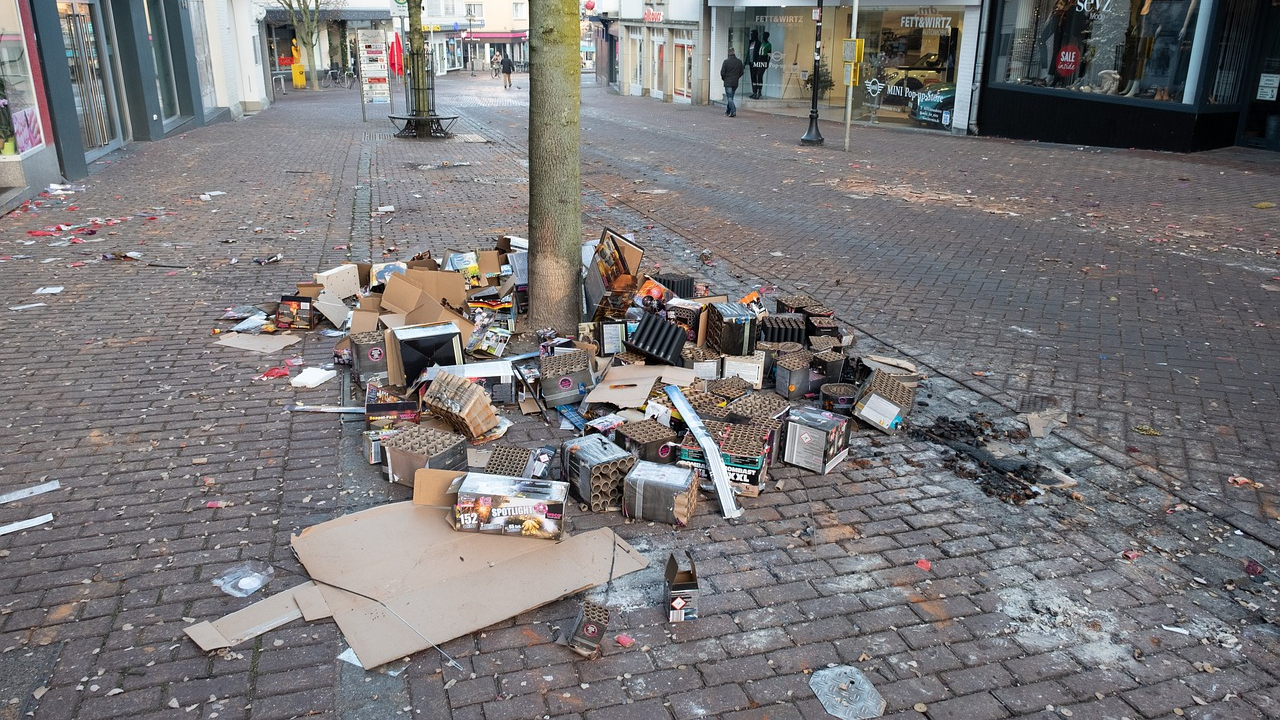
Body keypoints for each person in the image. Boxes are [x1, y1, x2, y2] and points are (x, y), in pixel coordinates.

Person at [720, 47, 744, 117]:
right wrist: (737, 77)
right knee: (731, 97)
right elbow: (741, 72)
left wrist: (724, 78)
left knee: (729, 97)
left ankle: (733, 111)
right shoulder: (739, 61)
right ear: (734, 52)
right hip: (735, 82)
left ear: (728, 53)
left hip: (728, 82)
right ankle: (728, 111)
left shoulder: (726, 62)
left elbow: (722, 72)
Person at [752, 31, 772, 98]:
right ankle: (756, 91)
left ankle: (759, 91)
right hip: (758, 60)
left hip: (764, 59)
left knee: (760, 76)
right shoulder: (761, 43)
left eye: (765, 36)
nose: (764, 37)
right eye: (763, 35)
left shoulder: (768, 45)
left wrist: (767, 63)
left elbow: (769, 55)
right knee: (757, 75)